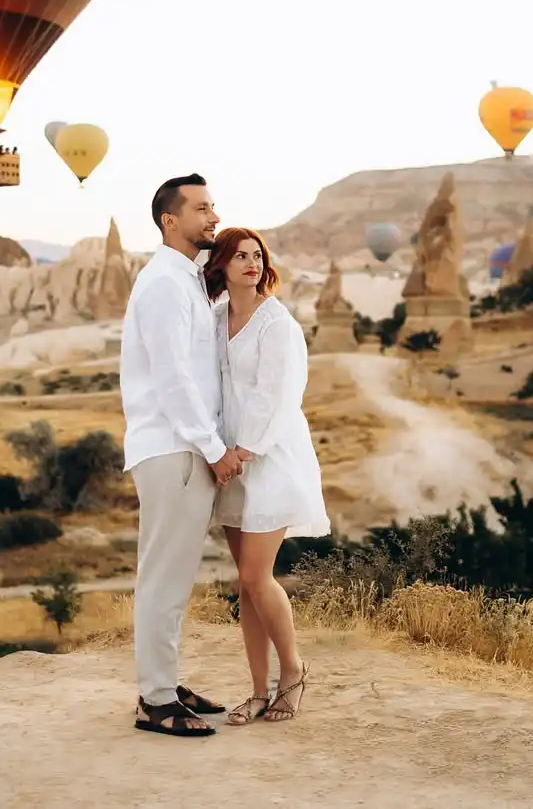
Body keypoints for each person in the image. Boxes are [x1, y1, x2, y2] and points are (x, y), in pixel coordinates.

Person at [120, 174, 248, 738]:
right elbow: (174, 381)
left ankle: (165, 684)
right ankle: (155, 699)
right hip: (174, 448)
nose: (212, 217)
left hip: (182, 448)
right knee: (163, 578)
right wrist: (216, 449)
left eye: (213, 206)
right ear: (170, 220)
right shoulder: (165, 286)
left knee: (174, 577)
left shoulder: (186, 282)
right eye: (201, 209)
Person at [203, 227, 330, 726]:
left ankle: (293, 673)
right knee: (246, 586)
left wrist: (245, 449)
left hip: (268, 457)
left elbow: (278, 396)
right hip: (229, 460)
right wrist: (218, 450)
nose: (252, 264)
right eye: (240, 256)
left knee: (258, 576)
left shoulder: (277, 324)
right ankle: (257, 691)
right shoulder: (214, 320)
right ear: (222, 265)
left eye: (257, 256)